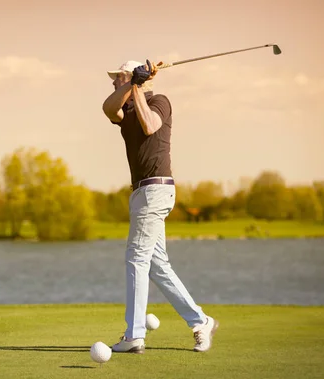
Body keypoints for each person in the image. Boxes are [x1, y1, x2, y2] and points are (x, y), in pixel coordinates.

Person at [101, 59, 219, 353]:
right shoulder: (124, 109)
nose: (114, 81)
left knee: (136, 259)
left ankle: (134, 335)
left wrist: (139, 86)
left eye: (119, 77)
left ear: (132, 76)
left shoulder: (160, 101)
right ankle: (201, 321)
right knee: (156, 265)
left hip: (156, 189)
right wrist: (132, 84)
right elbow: (106, 108)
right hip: (140, 194)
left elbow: (151, 126)